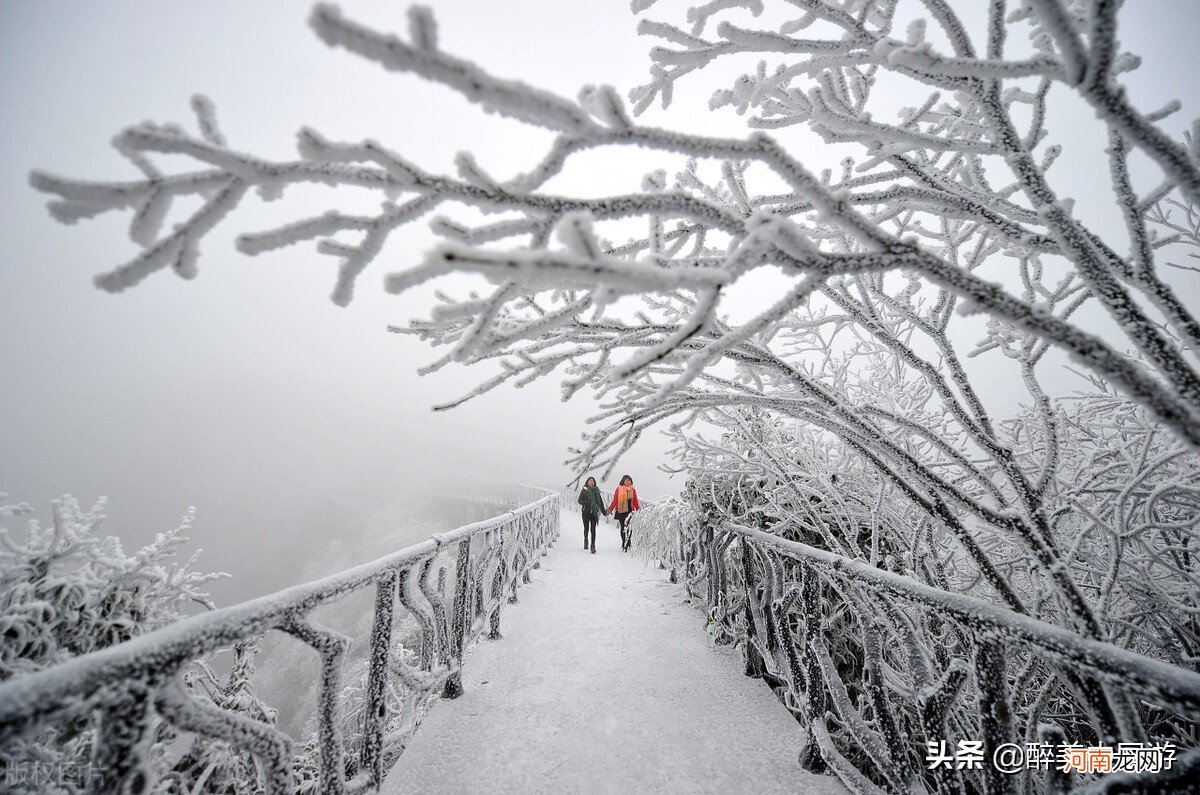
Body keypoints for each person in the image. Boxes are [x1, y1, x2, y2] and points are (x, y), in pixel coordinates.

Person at [607, 474, 640, 552]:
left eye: (629, 480)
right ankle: (623, 543)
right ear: (623, 481)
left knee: (629, 527)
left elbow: (635, 501)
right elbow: (615, 500)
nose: (628, 482)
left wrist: (639, 510)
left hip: (630, 511)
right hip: (621, 511)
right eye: (627, 480)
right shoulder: (619, 489)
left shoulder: (633, 489)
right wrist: (610, 509)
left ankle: (628, 543)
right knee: (623, 527)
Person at [576, 476, 607, 554]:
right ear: (587, 482)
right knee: (586, 529)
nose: (591, 482)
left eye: (593, 480)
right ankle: (586, 541)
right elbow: (579, 501)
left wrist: (604, 512)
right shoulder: (584, 490)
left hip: (594, 513)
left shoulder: (597, 491)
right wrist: (589, 503)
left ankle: (593, 545)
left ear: (594, 482)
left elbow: (600, 503)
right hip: (585, 512)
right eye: (590, 480)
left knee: (593, 529)